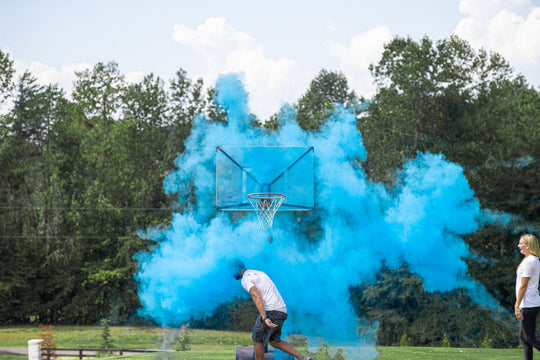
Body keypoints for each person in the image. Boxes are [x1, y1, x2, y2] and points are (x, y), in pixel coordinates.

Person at [231, 259, 312, 360]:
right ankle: (303, 358)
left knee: (258, 340)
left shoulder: (246, 279)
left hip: (271, 311)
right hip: (281, 310)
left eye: (231, 270)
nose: (230, 273)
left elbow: (257, 297)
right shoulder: (258, 273)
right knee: (274, 341)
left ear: (237, 268)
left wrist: (265, 318)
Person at [515, 234, 540, 360]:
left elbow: (523, 286)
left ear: (528, 246)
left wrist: (516, 305)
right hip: (531, 303)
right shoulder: (532, 260)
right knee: (524, 337)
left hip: (528, 304)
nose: (519, 245)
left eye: (521, 243)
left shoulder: (530, 262)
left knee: (529, 338)